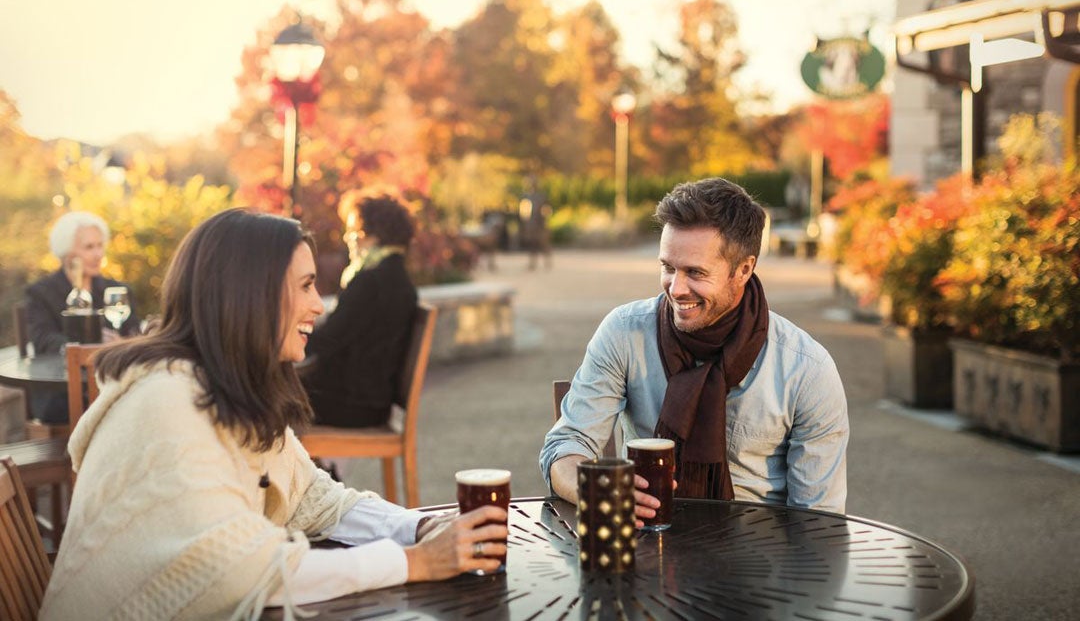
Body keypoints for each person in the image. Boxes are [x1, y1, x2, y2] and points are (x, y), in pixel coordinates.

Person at [41, 209, 508, 619]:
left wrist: (419, 527)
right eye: (305, 286)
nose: (317, 306)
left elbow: (312, 497)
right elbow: (238, 572)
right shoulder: (169, 402)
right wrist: (416, 563)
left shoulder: (225, 386)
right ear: (250, 294)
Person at [539, 177, 848, 524]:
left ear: (744, 269)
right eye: (668, 267)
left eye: (695, 273)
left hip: (758, 563)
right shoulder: (624, 333)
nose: (676, 288)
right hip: (645, 549)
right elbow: (565, 447)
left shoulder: (806, 368)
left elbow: (819, 523)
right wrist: (596, 489)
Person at [303, 193, 418, 428]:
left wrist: (284, 341)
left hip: (352, 405)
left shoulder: (371, 281)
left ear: (375, 235)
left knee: (269, 400)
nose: (348, 238)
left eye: (355, 231)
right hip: (371, 403)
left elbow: (328, 340)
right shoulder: (398, 280)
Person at [24, 211, 141, 423]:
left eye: (100, 245)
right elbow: (42, 338)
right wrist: (84, 350)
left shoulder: (118, 290)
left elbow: (136, 335)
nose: (98, 254)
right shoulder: (41, 293)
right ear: (66, 253)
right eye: (89, 247)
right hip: (61, 392)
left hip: (113, 382)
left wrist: (121, 344)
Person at [518, 176, 552, 271]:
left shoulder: (542, 196)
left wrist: (545, 219)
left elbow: (547, 209)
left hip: (541, 223)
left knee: (544, 243)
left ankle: (547, 262)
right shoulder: (526, 196)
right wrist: (525, 222)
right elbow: (523, 210)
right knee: (532, 244)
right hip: (531, 223)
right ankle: (532, 263)